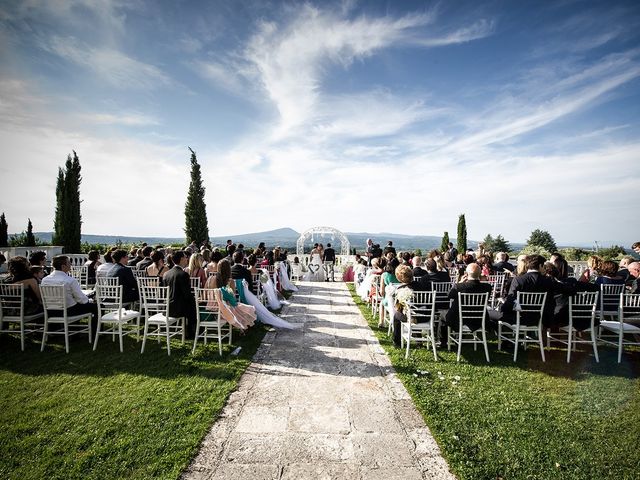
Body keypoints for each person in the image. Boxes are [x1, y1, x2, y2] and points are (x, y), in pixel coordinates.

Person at [488, 254, 575, 329]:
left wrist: (502, 308)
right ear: (540, 266)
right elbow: (570, 290)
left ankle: (504, 338)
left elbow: (510, 303)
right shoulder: (548, 281)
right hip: (540, 318)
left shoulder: (519, 280)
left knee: (489, 312)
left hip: (519, 317)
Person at [41, 255, 98, 331]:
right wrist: (89, 300)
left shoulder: (45, 280)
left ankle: (74, 332)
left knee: (76, 303)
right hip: (69, 311)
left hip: (51, 311)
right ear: (63, 266)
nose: (71, 264)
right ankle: (96, 333)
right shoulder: (69, 280)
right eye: (69, 263)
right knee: (97, 306)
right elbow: (81, 299)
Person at [204, 258, 255, 330]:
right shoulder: (230, 281)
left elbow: (204, 296)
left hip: (209, 310)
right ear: (229, 269)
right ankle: (242, 327)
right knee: (247, 309)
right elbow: (232, 298)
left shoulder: (210, 279)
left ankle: (241, 326)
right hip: (224, 311)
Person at [444, 263, 492, 338]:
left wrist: (459, 282)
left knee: (445, 316)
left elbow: (449, 295)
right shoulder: (487, 287)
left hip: (459, 319)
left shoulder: (459, 286)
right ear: (480, 274)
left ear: (466, 274)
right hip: (479, 319)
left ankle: (446, 340)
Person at [162, 250, 196, 339]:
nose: (187, 259)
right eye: (185, 257)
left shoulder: (166, 274)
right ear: (181, 259)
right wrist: (196, 301)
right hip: (179, 309)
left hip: (167, 307)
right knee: (193, 305)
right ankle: (192, 331)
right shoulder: (183, 274)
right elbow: (187, 294)